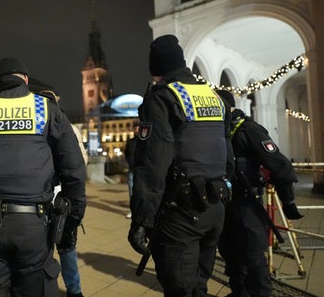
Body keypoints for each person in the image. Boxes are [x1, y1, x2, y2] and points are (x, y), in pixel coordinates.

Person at [0, 57, 87, 296]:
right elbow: (74, 171)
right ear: (25, 79)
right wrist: (71, 222)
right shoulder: (47, 109)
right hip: (34, 225)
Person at [127, 34, 233, 296]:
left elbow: (153, 164)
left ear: (157, 70)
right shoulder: (212, 96)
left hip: (181, 212)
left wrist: (142, 219)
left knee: (180, 289)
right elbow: (227, 154)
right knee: (199, 286)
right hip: (215, 207)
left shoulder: (162, 99)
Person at [216, 89, 303, 297]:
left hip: (248, 204)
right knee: (230, 251)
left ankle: (260, 292)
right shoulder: (219, 131)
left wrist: (288, 202)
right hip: (227, 204)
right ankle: (240, 292)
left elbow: (280, 166)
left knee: (253, 254)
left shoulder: (248, 130)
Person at [41, 89, 88, 297]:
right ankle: (74, 290)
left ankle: (50, 286)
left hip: (46, 194)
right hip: (63, 196)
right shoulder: (69, 127)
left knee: (46, 246)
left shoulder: (40, 125)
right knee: (67, 244)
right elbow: (81, 161)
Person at [124, 127, 138, 219]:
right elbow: (126, 153)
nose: (136, 130)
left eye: (138, 128)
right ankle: (133, 211)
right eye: (135, 128)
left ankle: (139, 211)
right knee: (131, 191)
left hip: (141, 170)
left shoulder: (144, 141)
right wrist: (129, 162)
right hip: (132, 169)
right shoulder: (130, 141)